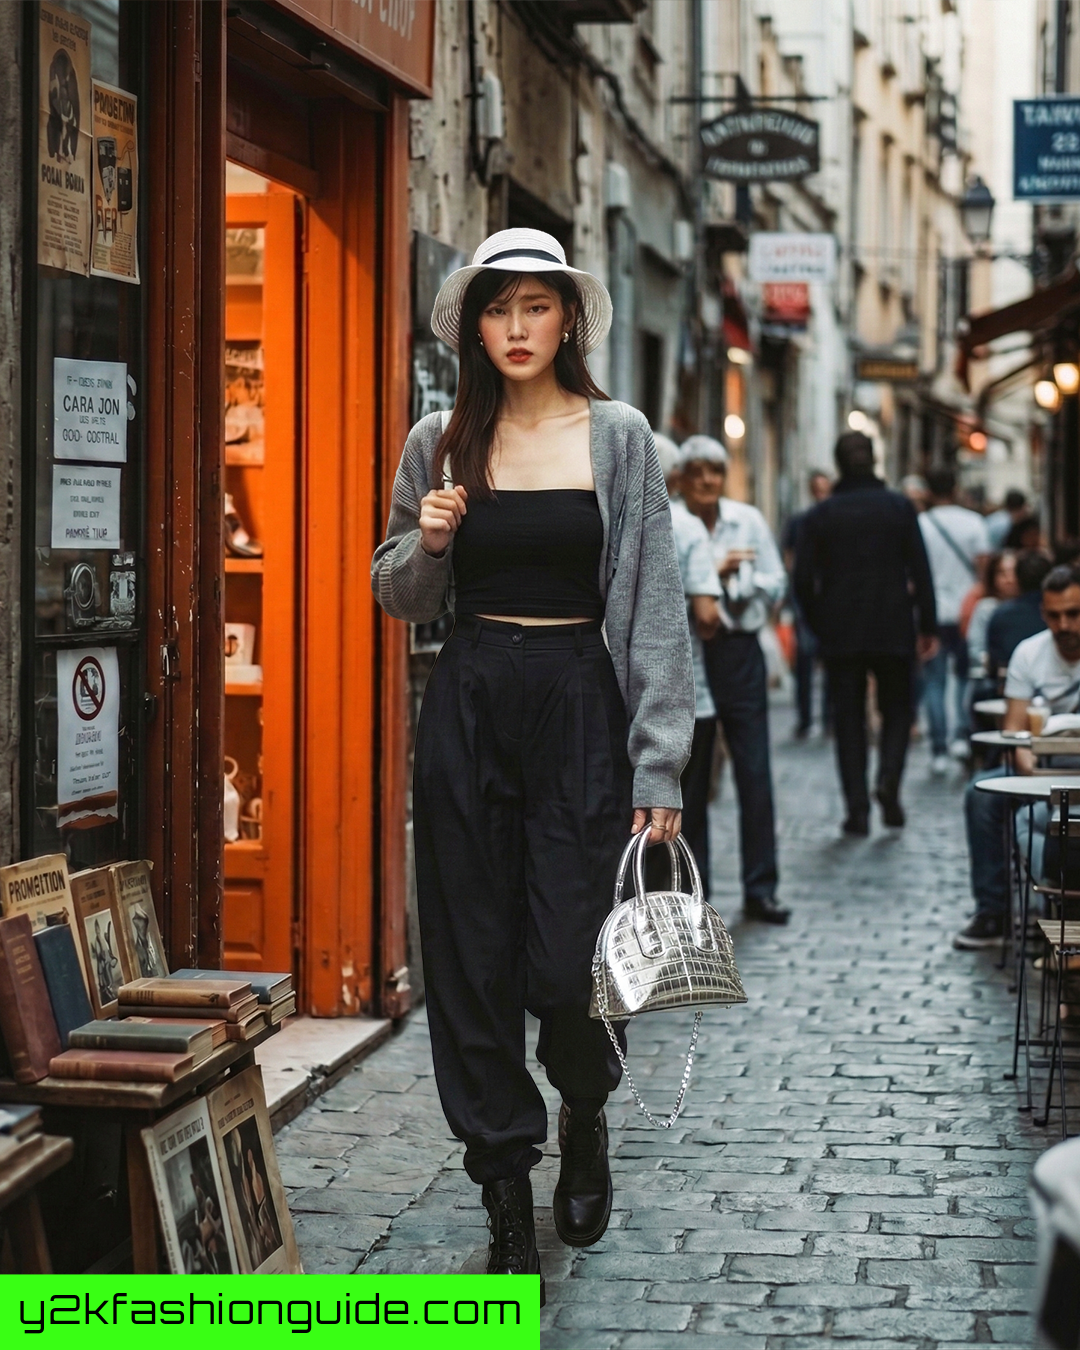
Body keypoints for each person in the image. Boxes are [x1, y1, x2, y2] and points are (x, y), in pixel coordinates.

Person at [371, 229, 694, 1294]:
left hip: (578, 706)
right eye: (496, 310)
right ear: (474, 327)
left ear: (569, 321)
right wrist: (425, 540)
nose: (515, 329)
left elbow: (651, 610)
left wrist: (661, 768)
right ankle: (504, 1190)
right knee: (470, 965)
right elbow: (398, 598)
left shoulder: (620, 437)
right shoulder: (439, 439)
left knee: (567, 962)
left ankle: (585, 1105)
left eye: (535, 308)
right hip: (467, 700)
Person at [794, 431, 937, 835]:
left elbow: (802, 580)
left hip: (841, 633)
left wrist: (820, 623)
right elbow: (920, 570)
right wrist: (926, 624)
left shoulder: (821, 515)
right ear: (874, 460)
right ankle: (889, 775)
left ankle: (857, 808)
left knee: (849, 722)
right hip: (893, 626)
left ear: (839, 465)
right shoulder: (898, 507)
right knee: (898, 710)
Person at [677, 434, 790, 924]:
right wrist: (710, 573)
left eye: (715, 471)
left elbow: (776, 580)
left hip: (739, 650)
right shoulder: (671, 522)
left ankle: (761, 889)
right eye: (697, 471)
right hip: (690, 652)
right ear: (681, 478)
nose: (707, 480)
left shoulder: (747, 520)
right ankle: (693, 897)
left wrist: (740, 587)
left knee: (754, 771)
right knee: (693, 778)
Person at [956, 564, 1080, 949]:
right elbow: (1015, 736)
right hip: (1041, 771)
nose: (1064, 625)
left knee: (1044, 821)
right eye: (1055, 615)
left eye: (1073, 614)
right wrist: (1034, 770)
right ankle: (993, 911)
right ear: (1043, 614)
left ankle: (1059, 916)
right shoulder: (1030, 653)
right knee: (980, 795)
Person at [655, 434, 724, 897]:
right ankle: (689, 912)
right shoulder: (687, 527)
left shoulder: (604, 519)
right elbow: (706, 616)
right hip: (686, 697)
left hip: (617, 695)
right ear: (676, 478)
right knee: (687, 812)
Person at [919, 469, 990, 770]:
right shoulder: (973, 522)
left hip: (932, 610)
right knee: (964, 676)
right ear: (956, 488)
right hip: (967, 611)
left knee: (933, 681)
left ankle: (938, 749)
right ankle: (961, 735)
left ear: (928, 491)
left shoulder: (921, 524)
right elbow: (984, 567)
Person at [782, 470, 832, 738]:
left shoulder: (835, 519)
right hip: (806, 597)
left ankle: (828, 719)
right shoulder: (800, 521)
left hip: (830, 598)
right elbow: (790, 557)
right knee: (805, 658)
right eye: (818, 489)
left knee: (830, 658)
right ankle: (805, 718)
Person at [984, 549, 1052, 688]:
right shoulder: (996, 611)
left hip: (1006, 686)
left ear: (1018, 579)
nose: (1063, 623)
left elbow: (993, 665)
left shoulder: (1001, 615)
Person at [966, 552, 1018, 704]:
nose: (1009, 579)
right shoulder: (986, 608)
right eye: (1002, 573)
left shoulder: (1026, 608)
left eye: (1013, 572)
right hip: (991, 678)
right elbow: (976, 646)